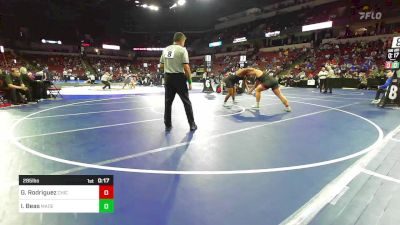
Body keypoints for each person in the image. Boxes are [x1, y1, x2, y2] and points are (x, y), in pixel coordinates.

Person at [160, 32, 197, 132]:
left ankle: (167, 124)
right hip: (179, 79)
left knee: (168, 103)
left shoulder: (166, 49)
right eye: (184, 41)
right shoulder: (182, 50)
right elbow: (186, 67)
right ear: (181, 40)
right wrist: (189, 82)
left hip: (168, 78)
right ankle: (192, 124)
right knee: (186, 102)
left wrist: (169, 67)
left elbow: (161, 66)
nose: (184, 43)